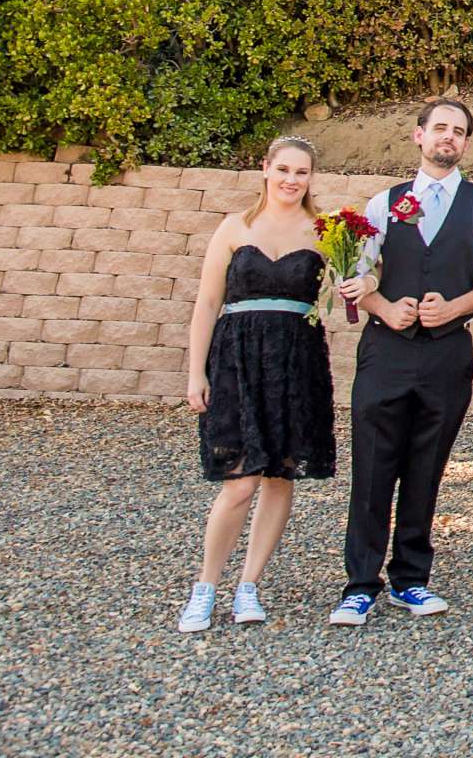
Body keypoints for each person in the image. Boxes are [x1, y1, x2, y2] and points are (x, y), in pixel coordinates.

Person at [330, 99, 473, 626]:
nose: (448, 138)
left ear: (465, 143)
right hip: (385, 350)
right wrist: (382, 306)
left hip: (447, 352)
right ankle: (360, 584)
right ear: (418, 136)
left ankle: (411, 579)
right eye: (440, 128)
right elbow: (356, 277)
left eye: (458, 132)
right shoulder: (382, 204)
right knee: (372, 466)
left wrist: (456, 307)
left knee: (426, 467)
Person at [178, 136, 336, 632]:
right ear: (265, 169)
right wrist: (195, 371)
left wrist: (366, 284)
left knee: (279, 476)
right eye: (284, 169)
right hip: (238, 359)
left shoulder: (326, 231)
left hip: (295, 360)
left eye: (302, 172)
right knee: (240, 480)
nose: (292, 180)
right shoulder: (233, 228)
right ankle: (205, 586)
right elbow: (207, 303)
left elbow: (362, 281)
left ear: (311, 178)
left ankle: (249, 586)